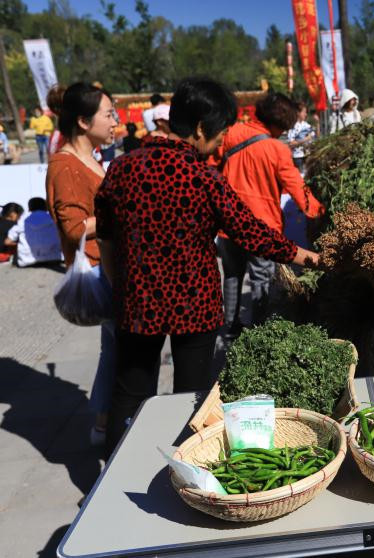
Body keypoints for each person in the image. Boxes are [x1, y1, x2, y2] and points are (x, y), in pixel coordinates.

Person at [95, 77, 320, 456]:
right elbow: (254, 235)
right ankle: (184, 466)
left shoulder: (122, 169)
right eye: (219, 133)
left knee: (129, 392)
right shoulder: (203, 178)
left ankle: (117, 470)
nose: (220, 141)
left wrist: (122, 287)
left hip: (137, 303)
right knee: (190, 396)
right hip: (193, 307)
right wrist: (310, 258)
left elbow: (106, 240)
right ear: (200, 128)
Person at [216, 92, 325, 336]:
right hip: (260, 228)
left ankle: (231, 326)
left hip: (227, 223)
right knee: (261, 279)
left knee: (232, 274)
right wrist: (320, 212)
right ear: (282, 123)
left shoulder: (231, 134)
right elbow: (298, 189)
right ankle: (258, 330)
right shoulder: (277, 149)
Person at [46, 82, 118, 446]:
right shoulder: (65, 165)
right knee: (120, 349)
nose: (115, 122)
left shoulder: (91, 157)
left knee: (114, 350)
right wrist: (123, 216)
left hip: (110, 266)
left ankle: (105, 422)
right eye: (108, 114)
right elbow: (73, 227)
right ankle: (110, 423)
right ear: (83, 121)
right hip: (100, 271)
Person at [4, 197, 62, 267]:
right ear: (46, 207)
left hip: (27, 260)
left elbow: (7, 242)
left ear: (29, 208)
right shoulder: (53, 219)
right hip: (54, 257)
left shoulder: (23, 220)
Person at [286, 101, 314, 174]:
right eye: (304, 112)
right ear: (298, 113)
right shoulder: (292, 126)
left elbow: (314, 136)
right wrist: (305, 139)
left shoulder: (307, 125)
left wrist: (317, 123)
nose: (306, 114)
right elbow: (291, 143)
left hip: (307, 155)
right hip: (297, 157)